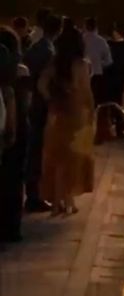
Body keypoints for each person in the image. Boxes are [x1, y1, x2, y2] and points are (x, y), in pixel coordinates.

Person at [39, 22, 95, 215]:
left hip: (56, 114)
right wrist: (92, 112)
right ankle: (69, 201)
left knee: (57, 160)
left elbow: (41, 84)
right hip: (76, 115)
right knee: (73, 160)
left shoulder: (55, 63)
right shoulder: (82, 65)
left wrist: (52, 100)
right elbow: (87, 92)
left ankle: (56, 203)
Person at [23, 12, 61, 210]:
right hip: (40, 107)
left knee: (32, 150)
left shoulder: (35, 47)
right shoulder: (48, 51)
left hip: (30, 104)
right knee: (37, 151)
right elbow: (43, 83)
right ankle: (33, 196)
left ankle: (32, 193)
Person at [0, 29, 30, 243]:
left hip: (7, 129)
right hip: (20, 127)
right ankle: (12, 227)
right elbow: (26, 102)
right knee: (15, 178)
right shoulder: (20, 71)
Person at [107, 26, 124, 136]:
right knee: (117, 103)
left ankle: (114, 125)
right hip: (120, 78)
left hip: (109, 77)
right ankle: (119, 126)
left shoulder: (110, 45)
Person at [83, 17, 113, 108]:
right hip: (97, 75)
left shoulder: (80, 40)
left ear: (85, 26)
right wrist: (99, 64)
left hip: (83, 75)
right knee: (96, 102)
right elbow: (109, 61)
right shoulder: (101, 41)